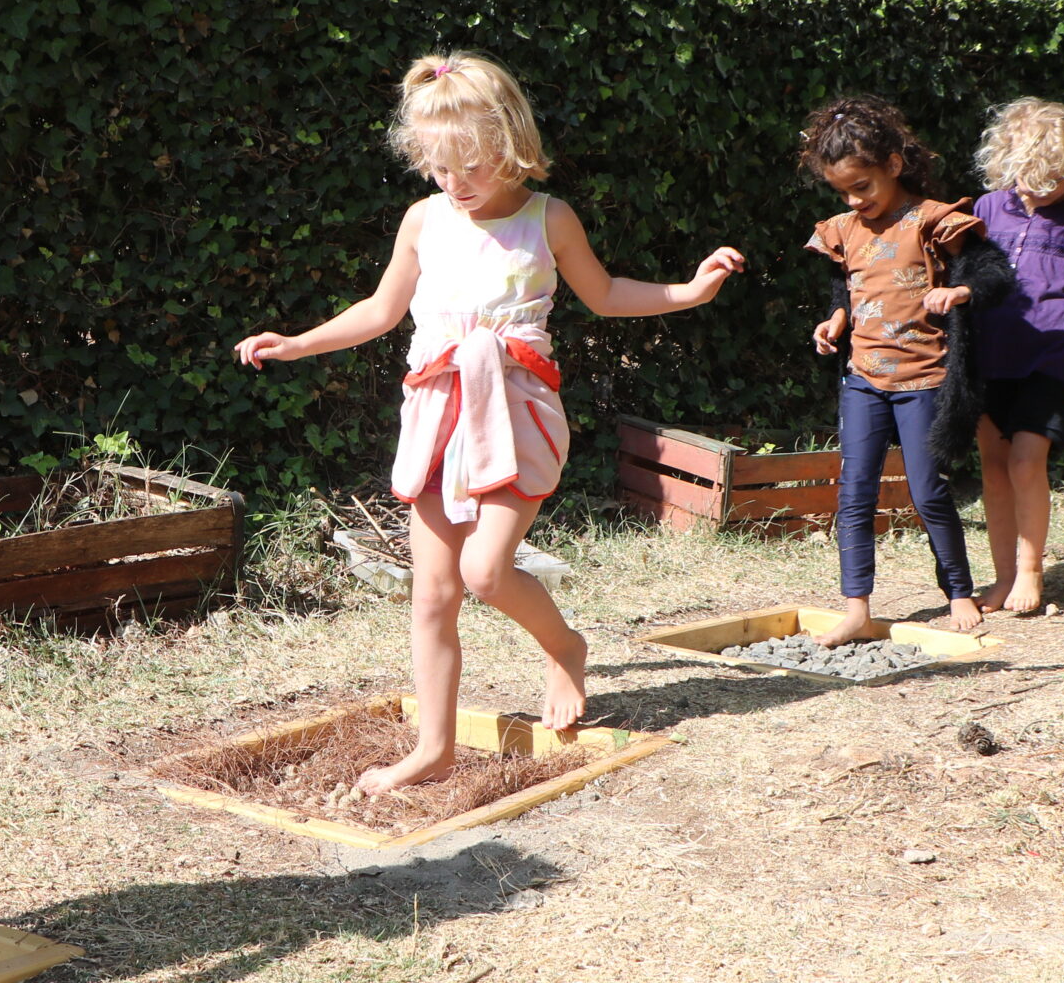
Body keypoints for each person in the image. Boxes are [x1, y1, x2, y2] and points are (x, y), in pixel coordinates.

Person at [234, 53, 744, 794]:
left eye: (470, 165)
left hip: (517, 417)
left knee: (486, 571)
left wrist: (688, 292)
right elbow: (381, 311)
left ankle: (565, 645)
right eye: (439, 168)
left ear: (511, 145)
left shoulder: (549, 217)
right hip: (438, 415)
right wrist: (300, 340)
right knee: (433, 592)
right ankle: (433, 747)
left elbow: (603, 294)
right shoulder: (424, 220)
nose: (455, 183)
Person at [805, 95, 1012, 644]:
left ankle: (959, 591)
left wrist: (961, 289)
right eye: (843, 191)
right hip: (863, 381)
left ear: (893, 165)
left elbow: (994, 272)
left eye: (863, 187)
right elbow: (843, 286)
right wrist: (835, 320)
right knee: (854, 491)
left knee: (928, 492)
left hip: (925, 381)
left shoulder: (933, 222)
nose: (854, 199)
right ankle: (856, 608)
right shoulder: (842, 230)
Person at [969, 99, 1064, 615]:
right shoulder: (986, 210)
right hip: (988, 359)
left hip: (1050, 359)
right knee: (992, 465)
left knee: (1027, 463)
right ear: (1006, 163)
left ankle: (1032, 573)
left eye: (1054, 179)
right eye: (1028, 177)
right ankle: (1003, 577)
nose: (1039, 189)